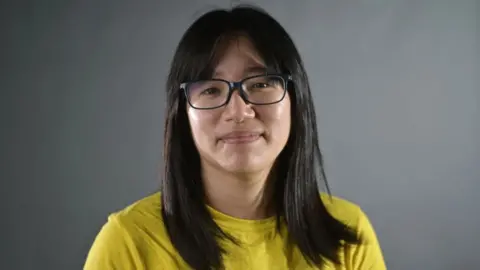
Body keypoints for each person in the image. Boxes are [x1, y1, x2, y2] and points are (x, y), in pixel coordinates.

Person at [84, 5, 386, 270]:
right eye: (211, 89)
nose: (238, 111)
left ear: (296, 99)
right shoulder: (129, 242)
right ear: (182, 114)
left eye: (261, 84)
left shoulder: (347, 235)